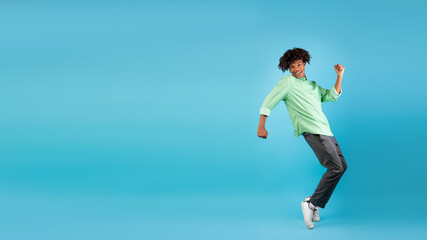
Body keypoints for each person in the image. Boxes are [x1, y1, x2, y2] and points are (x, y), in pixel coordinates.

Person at [257, 47, 347, 230]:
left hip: (326, 131)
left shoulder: (312, 85)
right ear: (288, 69)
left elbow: (332, 96)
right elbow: (269, 101)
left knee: (342, 167)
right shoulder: (287, 83)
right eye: (292, 66)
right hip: (312, 131)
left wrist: (339, 76)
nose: (297, 68)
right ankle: (311, 205)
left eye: (299, 64)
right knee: (335, 167)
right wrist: (261, 125)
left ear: (305, 63)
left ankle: (312, 201)